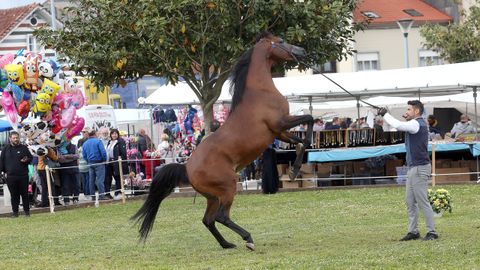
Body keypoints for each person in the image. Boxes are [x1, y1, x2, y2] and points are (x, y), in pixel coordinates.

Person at [378, 100, 438, 241]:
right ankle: (413, 231)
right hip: (413, 167)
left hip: (419, 167)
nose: (407, 112)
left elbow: (399, 125)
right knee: (410, 201)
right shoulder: (416, 123)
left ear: (416, 111)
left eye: (409, 109)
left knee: (422, 201)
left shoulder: (417, 123)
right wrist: (387, 116)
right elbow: (400, 125)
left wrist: (385, 114)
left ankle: (432, 232)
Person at [0, 132, 33, 217]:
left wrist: (26, 160)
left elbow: (30, 158)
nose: (16, 139)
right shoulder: (5, 149)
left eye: (17, 138)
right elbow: (1, 162)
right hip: (11, 176)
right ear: (10, 138)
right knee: (14, 195)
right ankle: (15, 213)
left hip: (23, 175)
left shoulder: (24, 148)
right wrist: (2, 173)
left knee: (25, 194)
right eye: (14, 138)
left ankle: (27, 212)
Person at [82, 130, 108, 200]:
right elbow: (103, 152)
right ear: (95, 134)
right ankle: (102, 195)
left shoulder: (85, 143)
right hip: (99, 162)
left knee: (91, 180)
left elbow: (84, 155)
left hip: (90, 163)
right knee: (100, 180)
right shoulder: (98, 141)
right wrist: (104, 160)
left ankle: (92, 196)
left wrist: (88, 161)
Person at [105, 129, 128, 199]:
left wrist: (120, 161)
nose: (114, 135)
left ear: (118, 134)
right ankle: (107, 193)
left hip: (117, 162)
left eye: (115, 134)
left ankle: (118, 193)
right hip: (109, 162)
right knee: (108, 178)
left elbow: (123, 153)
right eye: (112, 134)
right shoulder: (109, 141)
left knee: (118, 177)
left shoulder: (120, 141)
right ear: (110, 135)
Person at [57, 139, 79, 205]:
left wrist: (66, 156)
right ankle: (66, 200)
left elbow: (77, 156)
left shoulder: (74, 146)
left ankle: (75, 198)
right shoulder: (59, 147)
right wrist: (71, 157)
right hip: (64, 169)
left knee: (76, 185)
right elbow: (60, 159)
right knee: (65, 185)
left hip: (74, 168)